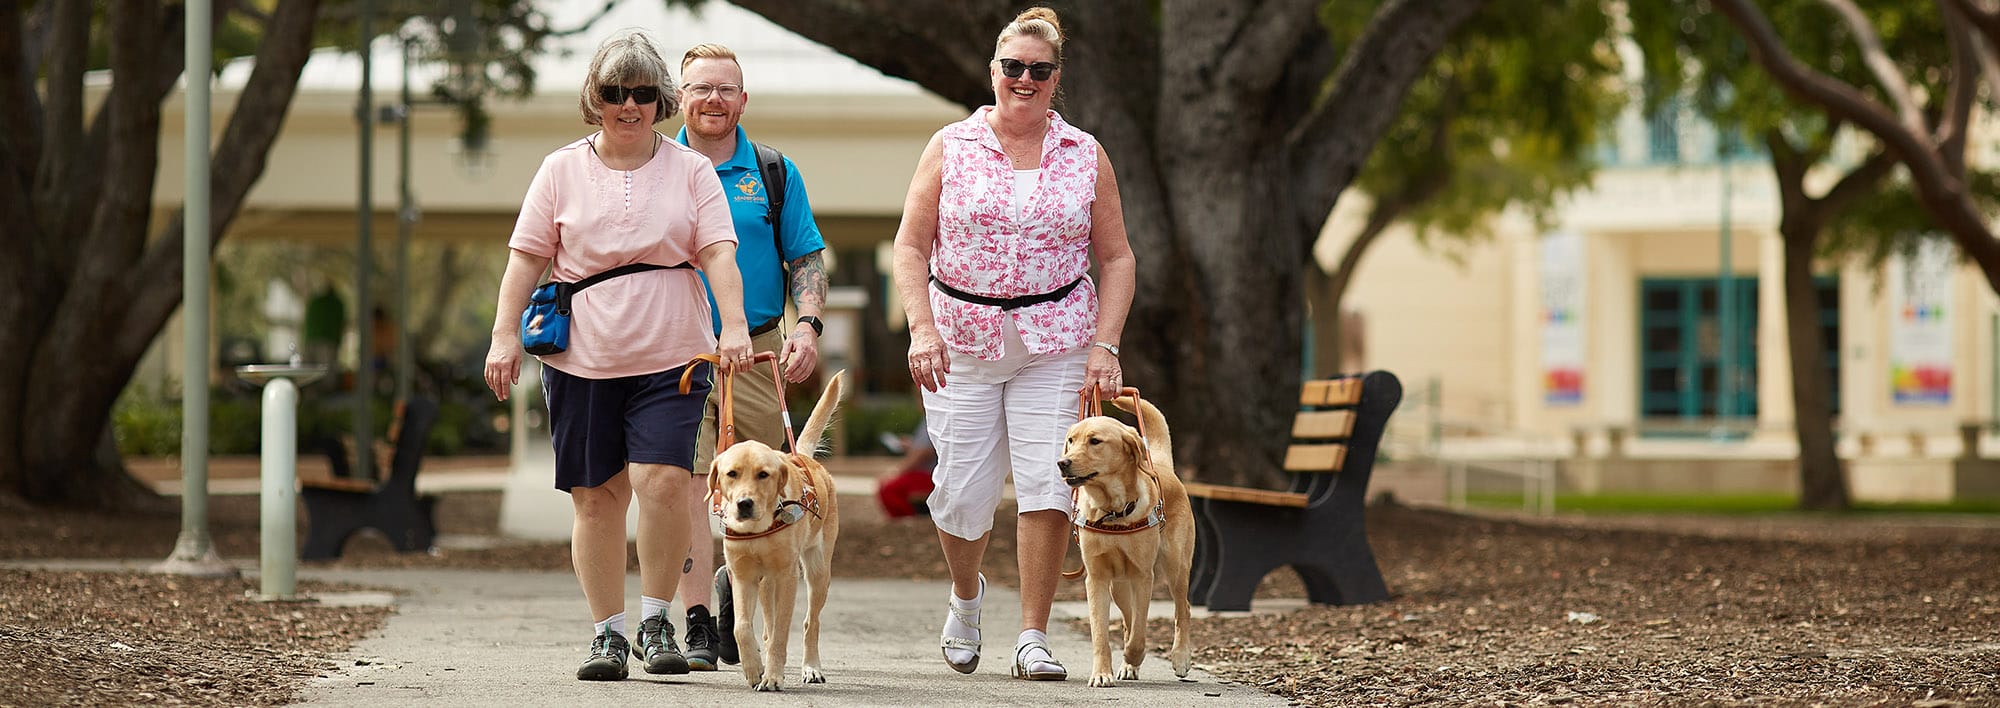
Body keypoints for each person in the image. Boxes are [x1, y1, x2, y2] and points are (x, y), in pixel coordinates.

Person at [482, 28, 753, 683]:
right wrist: (503, 334)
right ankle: (607, 633)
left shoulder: (690, 171)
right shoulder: (560, 169)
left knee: (662, 482)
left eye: (640, 92)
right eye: (613, 92)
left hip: (674, 355)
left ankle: (658, 617)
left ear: (659, 98)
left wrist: (735, 325)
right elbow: (526, 260)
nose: (627, 105)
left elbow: (718, 250)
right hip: (583, 359)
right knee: (596, 499)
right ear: (593, 98)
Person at [889, 7, 1136, 682]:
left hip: (1056, 337)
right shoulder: (952, 144)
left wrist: (1105, 345)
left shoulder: (1085, 153)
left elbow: (1115, 257)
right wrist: (922, 328)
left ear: (1056, 78)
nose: (1024, 79)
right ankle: (966, 601)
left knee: (1048, 485)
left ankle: (1033, 634)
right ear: (993, 71)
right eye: (1013, 67)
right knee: (958, 494)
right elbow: (910, 245)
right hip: (960, 342)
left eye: (1040, 70)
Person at [671, 42, 830, 670]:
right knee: (687, 481)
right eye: (700, 87)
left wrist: (808, 325)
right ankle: (698, 623)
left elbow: (806, 257)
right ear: (678, 98)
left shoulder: (772, 171)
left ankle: (748, 599)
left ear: (743, 99)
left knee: (767, 482)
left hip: (757, 349)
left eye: (725, 88)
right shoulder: (654, 163)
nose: (714, 99)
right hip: (674, 346)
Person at [876, 418, 938, 519]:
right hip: (929, 473)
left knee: (889, 488)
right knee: (889, 486)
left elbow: (923, 452)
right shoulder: (928, 419)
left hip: (930, 474)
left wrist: (897, 472)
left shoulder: (931, 418)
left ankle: (908, 521)